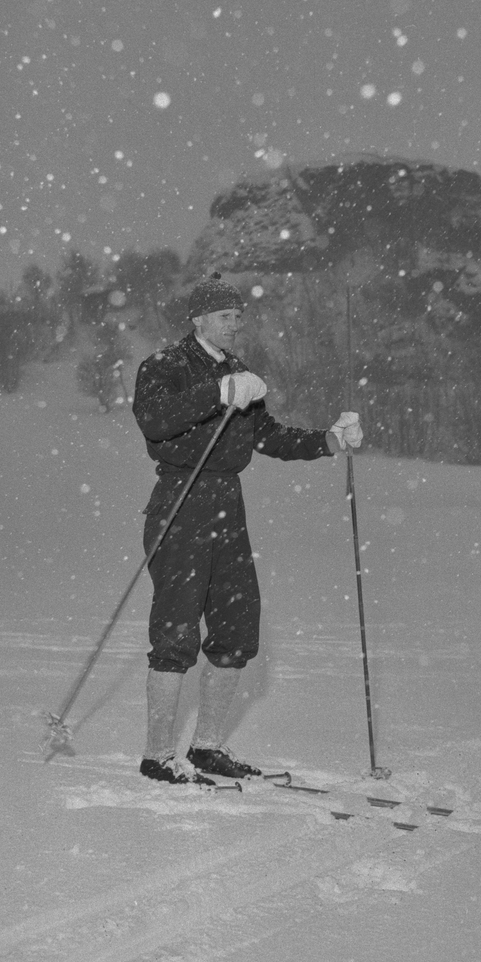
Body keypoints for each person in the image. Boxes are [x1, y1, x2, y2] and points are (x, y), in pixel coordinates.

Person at [131, 274, 363, 785]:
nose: (234, 324)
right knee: (176, 631)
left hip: (227, 507)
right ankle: (157, 756)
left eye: (238, 316)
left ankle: (206, 748)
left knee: (237, 628)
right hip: (180, 502)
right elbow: (155, 420)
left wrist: (329, 441)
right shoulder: (165, 365)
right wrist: (216, 392)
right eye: (224, 316)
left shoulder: (240, 372)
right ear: (198, 319)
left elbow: (269, 436)